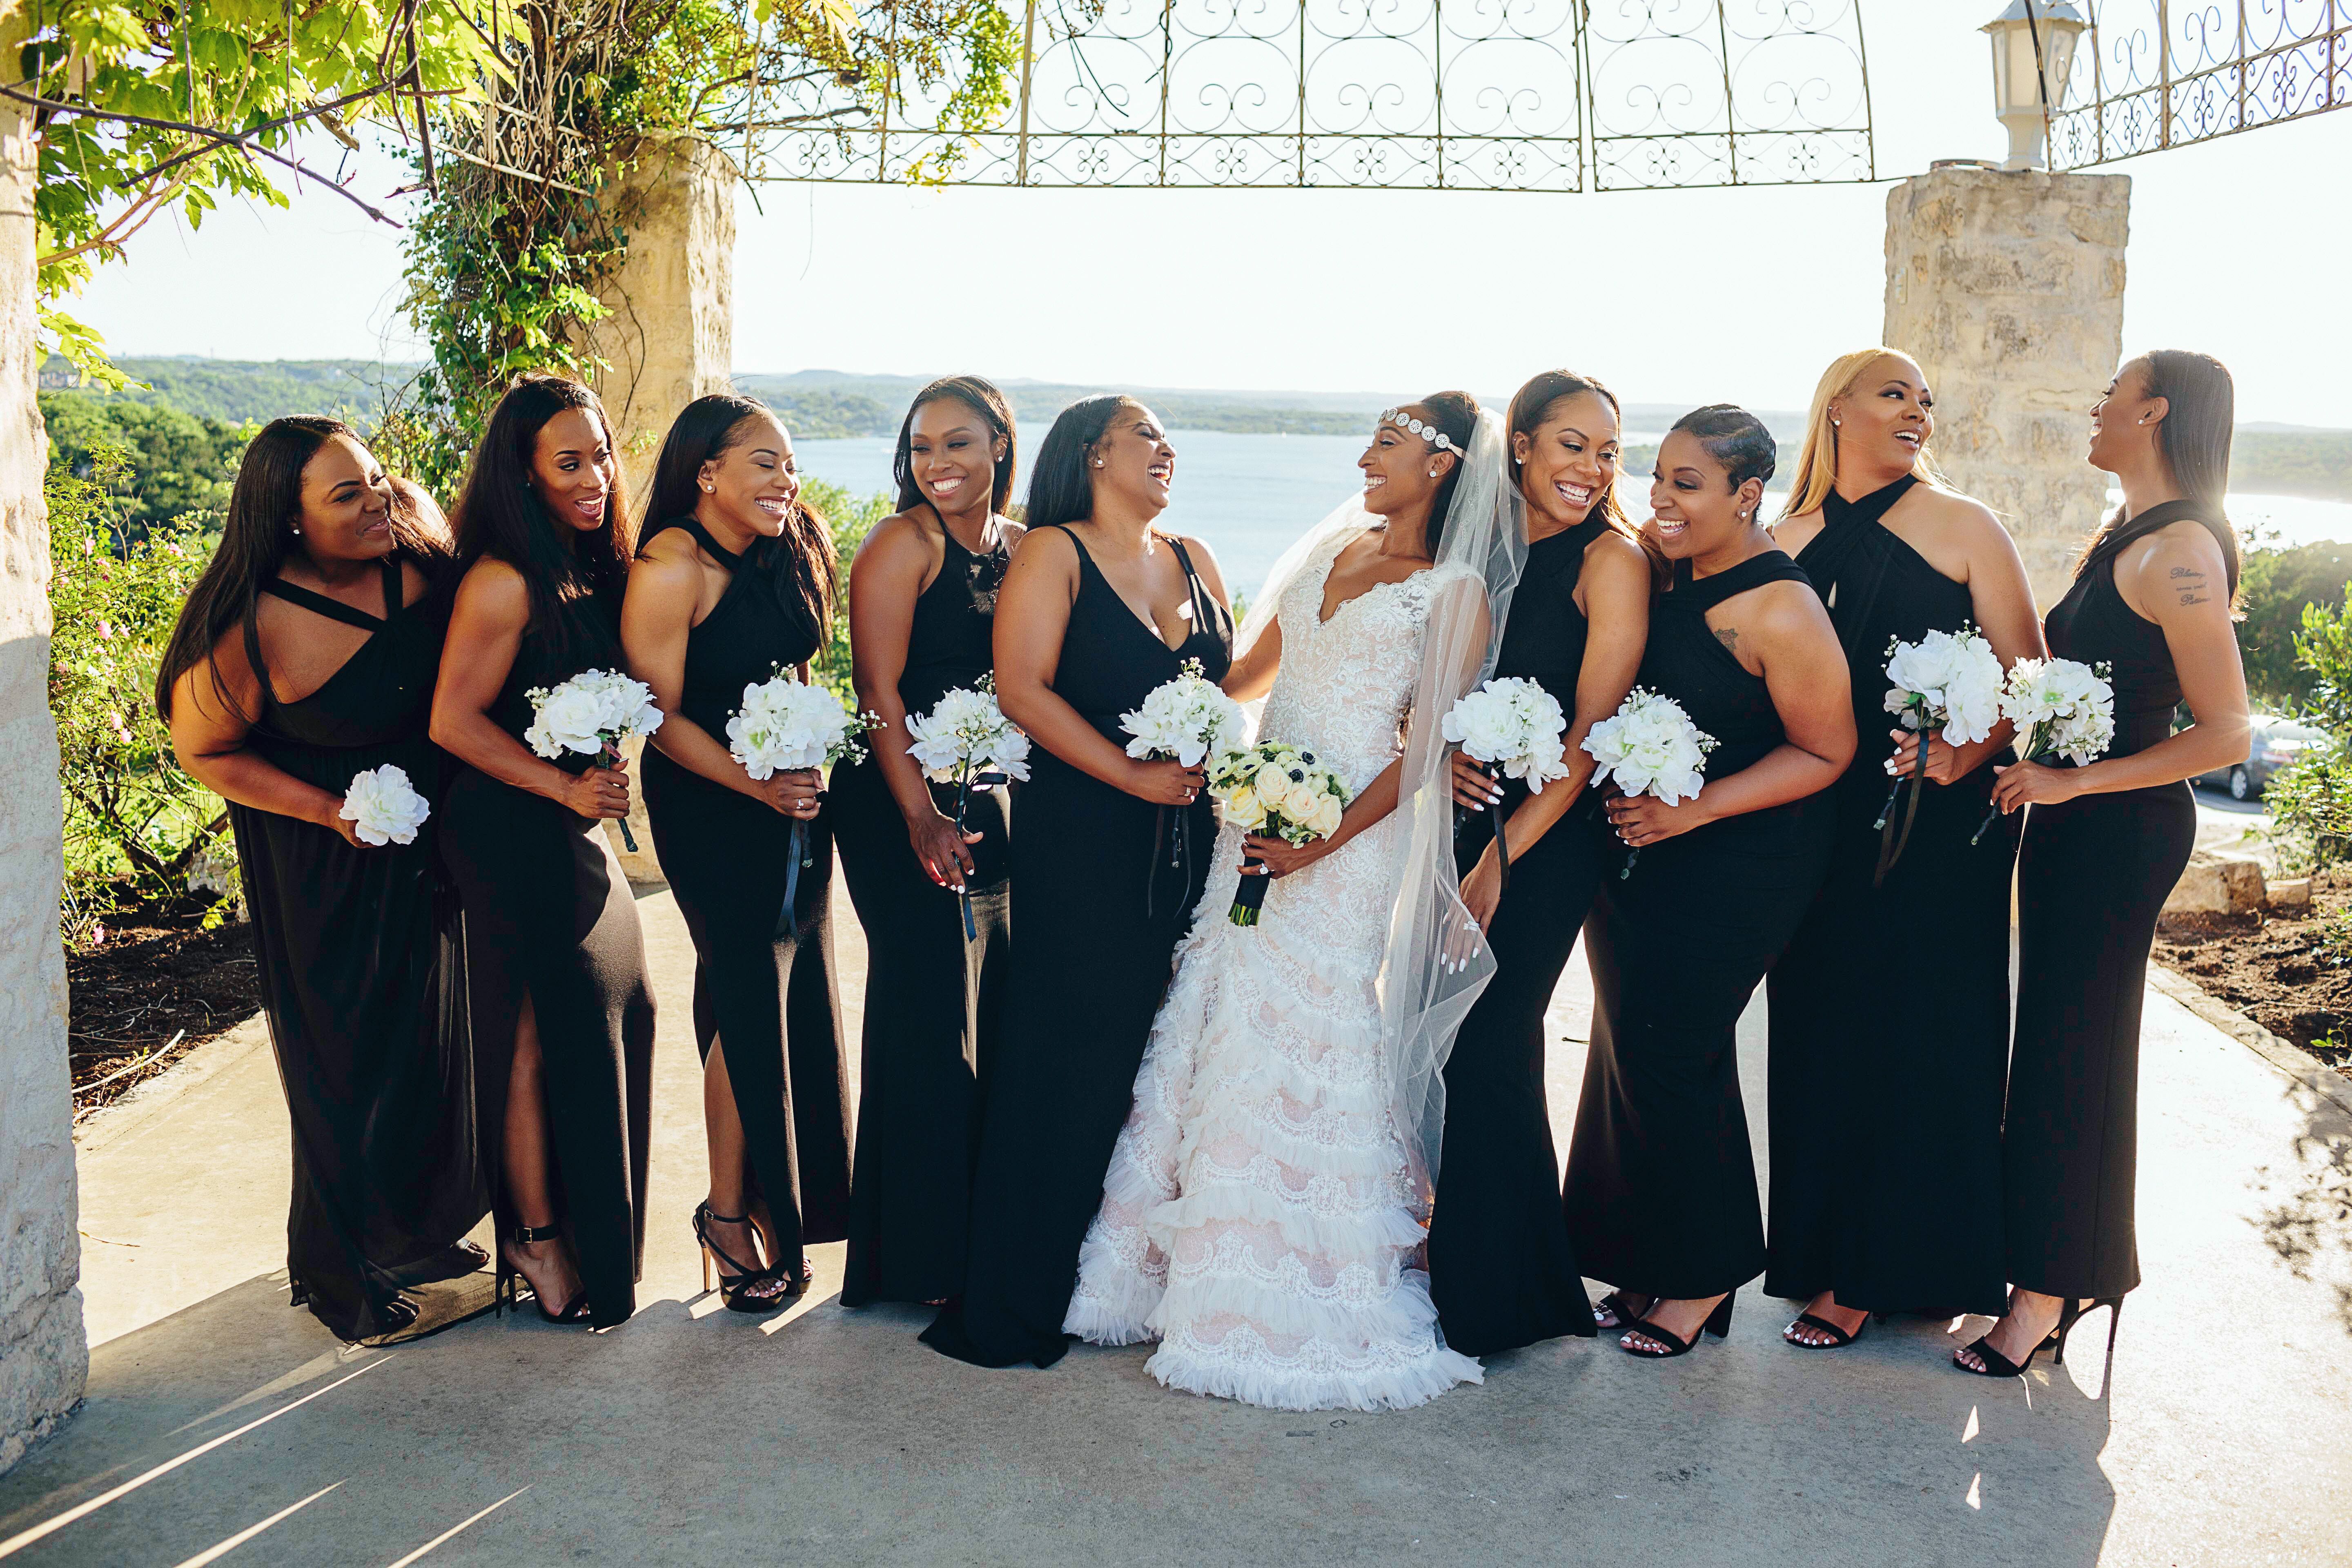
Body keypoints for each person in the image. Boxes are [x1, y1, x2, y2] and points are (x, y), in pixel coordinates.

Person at [1067, 394, 1517, 1409]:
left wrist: (1319, 841)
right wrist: (1165, 686)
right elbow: (1248, 671)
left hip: (1345, 841)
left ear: (1441, 468)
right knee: (1217, 1008)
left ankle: (1286, 1284)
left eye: (1389, 445)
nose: (1366, 456)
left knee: (1306, 1022)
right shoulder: (1332, 555)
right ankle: (1160, 1272)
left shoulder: (1452, 594)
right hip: (1256, 823)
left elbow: (1426, 756)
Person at [921, 396, 1233, 1368]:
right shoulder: (1052, 552)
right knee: (1070, 1057)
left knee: (1166, 1055)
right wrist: (1134, 775)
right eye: (1146, 434)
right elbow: (1022, 690)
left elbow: (1234, 681)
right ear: (1094, 453)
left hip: (1194, 837)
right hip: (1084, 836)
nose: (1165, 448)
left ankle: (1125, 1285)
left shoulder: (1196, 558)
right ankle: (1022, 1290)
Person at [1956, 350, 2251, 1376]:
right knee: (2052, 1042)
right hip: (2079, 822)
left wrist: (2077, 783)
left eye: (2112, 394)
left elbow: (2227, 736)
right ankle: (2050, 1263)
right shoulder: (2128, 536)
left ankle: (2051, 1289)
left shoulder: (2180, 554)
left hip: (2120, 831)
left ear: (2155, 411)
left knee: (2077, 1050)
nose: (2096, 407)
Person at [158, 419, 483, 1343]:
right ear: (287, 519)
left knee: (435, 1039)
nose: (378, 498)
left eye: (377, 478)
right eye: (347, 494)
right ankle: (346, 1261)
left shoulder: (419, 550)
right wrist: (326, 813)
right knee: (347, 1056)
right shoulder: (251, 624)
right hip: (325, 865)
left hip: (437, 846)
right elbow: (205, 749)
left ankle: (415, 1231)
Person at [1762, 348, 2045, 1348]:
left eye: (1927, 398)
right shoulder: (1781, 537)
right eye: (1894, 393)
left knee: (1924, 1039)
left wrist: (1964, 756)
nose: (1917, 410)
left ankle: (1878, 1273)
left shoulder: (1966, 525)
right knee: (1821, 1032)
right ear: (1836, 407)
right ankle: (1823, 1254)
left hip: (1939, 839)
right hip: (1812, 827)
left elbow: (2031, 677)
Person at [1563, 405, 1854, 1359]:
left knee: (1676, 1051)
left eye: (1687, 484)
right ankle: (1644, 1259)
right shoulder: (1665, 565)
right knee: (1628, 1049)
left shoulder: (1782, 607)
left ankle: (1702, 1278)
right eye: (1658, 479)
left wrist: (1699, 809)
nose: (1661, 500)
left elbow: (1827, 750)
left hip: (1740, 858)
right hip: (1640, 850)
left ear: (1747, 493)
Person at [1428, 370, 1650, 1356]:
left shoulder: (1613, 561)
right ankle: (1477, 1265)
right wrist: (1444, 749)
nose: (1592, 470)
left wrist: (1498, 865)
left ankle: (1505, 1299)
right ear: (1518, 445)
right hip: (1462, 818)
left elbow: (1591, 738)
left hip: (1551, 837)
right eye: (1572, 446)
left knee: (1494, 1033)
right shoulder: (1471, 543)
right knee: (1443, 1033)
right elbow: (1428, 679)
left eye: (1608, 452)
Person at [431, 374, 657, 1330]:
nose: (595, 475)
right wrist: (562, 785)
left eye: (600, 454)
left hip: (567, 823)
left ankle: (587, 1225)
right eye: (569, 462)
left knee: (614, 1008)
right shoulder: (502, 579)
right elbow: (452, 720)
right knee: (530, 1032)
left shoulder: (592, 564)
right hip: (508, 828)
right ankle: (533, 1234)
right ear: (522, 475)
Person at [620, 394, 853, 1313]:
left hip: (791, 799)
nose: (786, 482)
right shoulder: (673, 566)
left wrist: (803, 750)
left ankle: (760, 1197)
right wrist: (759, 785)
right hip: (712, 805)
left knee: (776, 998)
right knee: (750, 998)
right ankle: (727, 1213)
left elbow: (790, 666)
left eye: (790, 465)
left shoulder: (789, 546)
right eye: (765, 463)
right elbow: (659, 717)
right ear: (705, 471)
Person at [835, 377, 1021, 1308]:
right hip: (894, 799)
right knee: (922, 1008)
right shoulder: (901, 542)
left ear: (999, 445)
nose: (937, 464)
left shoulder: (1022, 547)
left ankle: (967, 1234)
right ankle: (907, 1260)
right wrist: (920, 815)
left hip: (985, 801)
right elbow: (877, 690)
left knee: (985, 1017)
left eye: (957, 444)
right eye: (920, 448)